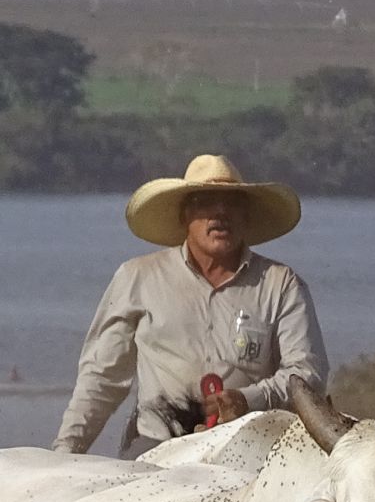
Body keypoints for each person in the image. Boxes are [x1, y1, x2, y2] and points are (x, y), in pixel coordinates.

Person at [52, 154, 328, 456]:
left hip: (248, 450)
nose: (219, 213)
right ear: (185, 215)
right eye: (205, 202)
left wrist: (248, 399)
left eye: (232, 203)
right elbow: (102, 378)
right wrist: (65, 453)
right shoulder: (138, 277)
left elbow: (307, 374)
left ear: (246, 216)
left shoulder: (281, 284)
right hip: (155, 447)